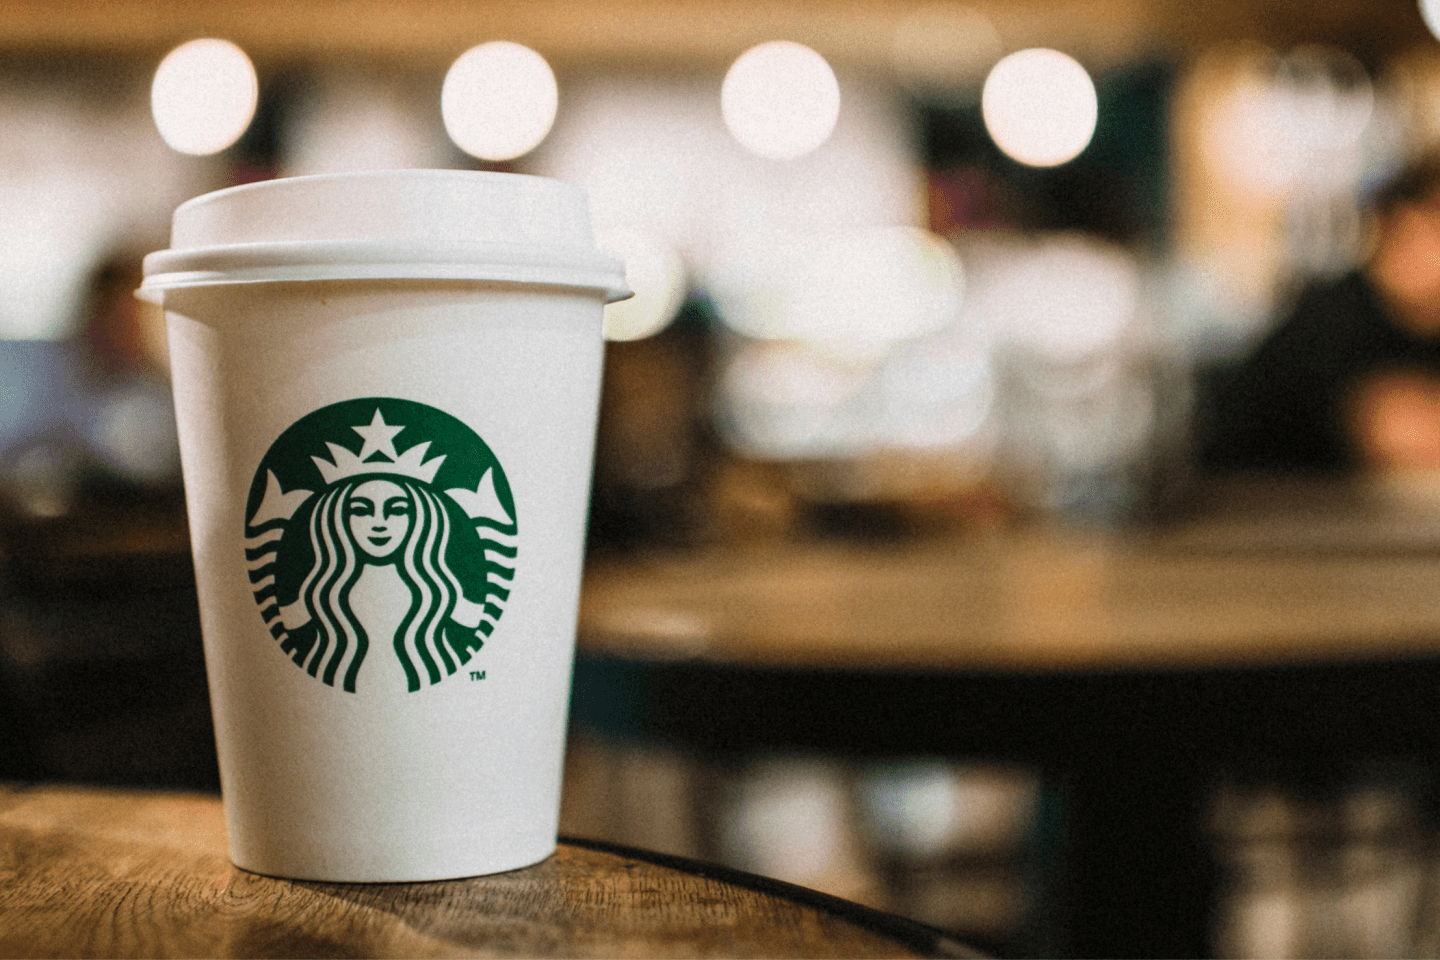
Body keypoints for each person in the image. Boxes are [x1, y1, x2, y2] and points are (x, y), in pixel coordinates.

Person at [1198, 151, 1440, 474]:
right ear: (1401, 225)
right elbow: (1401, 433)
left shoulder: (1418, 325)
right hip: (1253, 516)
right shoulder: (1333, 323)